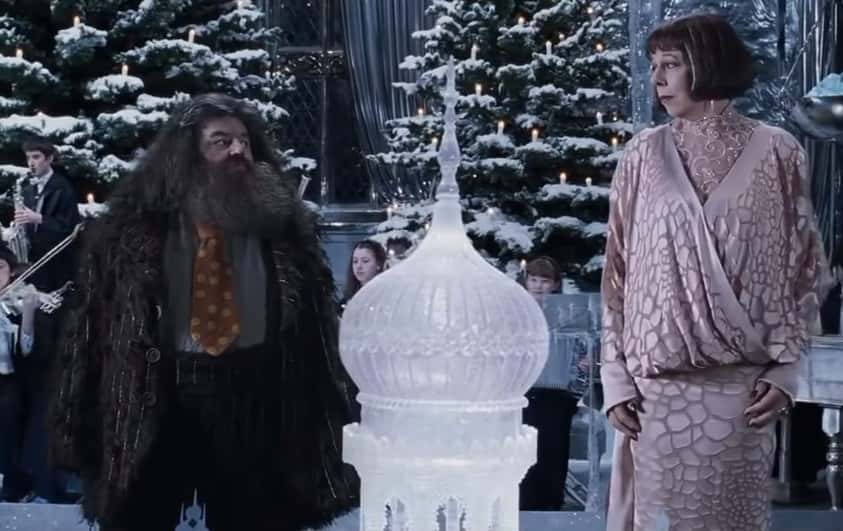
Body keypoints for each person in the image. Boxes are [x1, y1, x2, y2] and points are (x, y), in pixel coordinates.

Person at [48, 94, 358, 531]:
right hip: (157, 398)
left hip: (252, 400)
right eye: (221, 141)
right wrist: (76, 423)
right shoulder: (134, 230)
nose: (238, 150)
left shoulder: (282, 233)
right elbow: (89, 328)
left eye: (244, 141)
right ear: (187, 153)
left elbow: (316, 334)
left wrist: (328, 420)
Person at [600, 14, 832, 530]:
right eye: (654, 66)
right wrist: (615, 378)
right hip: (655, 395)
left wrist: (787, 372)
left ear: (706, 64)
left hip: (744, 396)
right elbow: (617, 274)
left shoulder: (778, 151)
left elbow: (805, 268)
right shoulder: (642, 154)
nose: (658, 79)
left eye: (671, 65)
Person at [14, 138, 79, 503]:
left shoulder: (62, 188)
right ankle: (24, 474)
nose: (31, 163)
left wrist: (39, 219)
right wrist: (18, 235)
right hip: (32, 278)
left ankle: (48, 476)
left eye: (36, 157)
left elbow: (71, 230)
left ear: (50, 158)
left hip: (56, 279)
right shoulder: (26, 187)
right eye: (28, 158)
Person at [520, 256, 580, 510]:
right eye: (533, 279)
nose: (538, 285)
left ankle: (550, 505)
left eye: (544, 281)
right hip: (522, 393)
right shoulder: (516, 311)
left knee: (552, 452)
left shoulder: (567, 314)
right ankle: (522, 505)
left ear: (555, 284)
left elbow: (580, 347)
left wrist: (583, 362)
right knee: (524, 452)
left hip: (557, 395)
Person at [0, 242, 40, 502]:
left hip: (7, 380)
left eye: (0, 267)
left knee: (9, 426)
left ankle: (13, 484)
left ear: (12, 271)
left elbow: (26, 348)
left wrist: (27, 314)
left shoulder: (14, 303)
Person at [340, 239, 386, 308]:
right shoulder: (346, 301)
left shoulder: (386, 296)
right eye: (355, 261)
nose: (359, 266)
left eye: (365, 261)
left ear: (378, 264)